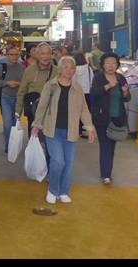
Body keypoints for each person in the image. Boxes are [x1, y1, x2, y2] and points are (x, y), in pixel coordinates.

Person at [31, 56, 96, 204]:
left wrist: (89, 127)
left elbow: (84, 109)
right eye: (65, 67)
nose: (69, 70)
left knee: (68, 163)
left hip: (71, 131)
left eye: (72, 67)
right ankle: (53, 190)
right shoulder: (51, 85)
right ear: (59, 69)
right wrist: (37, 124)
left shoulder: (77, 88)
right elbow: (42, 106)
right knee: (58, 161)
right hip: (52, 130)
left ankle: (64, 191)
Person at [90, 52, 131, 184]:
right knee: (105, 145)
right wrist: (107, 86)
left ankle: (107, 172)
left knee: (112, 146)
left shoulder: (121, 78)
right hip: (102, 117)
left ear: (117, 65)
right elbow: (93, 93)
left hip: (117, 116)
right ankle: (105, 175)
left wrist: (125, 92)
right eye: (107, 63)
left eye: (113, 63)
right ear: (103, 65)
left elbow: (127, 98)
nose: (110, 66)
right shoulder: (98, 77)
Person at [15, 42, 57, 137]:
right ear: (37, 55)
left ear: (51, 55)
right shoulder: (29, 70)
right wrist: (18, 112)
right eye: (42, 53)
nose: (45, 57)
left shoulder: (57, 71)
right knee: (34, 141)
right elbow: (22, 91)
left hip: (52, 114)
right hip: (33, 113)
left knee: (50, 144)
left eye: (48, 53)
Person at [0, 45, 24, 153]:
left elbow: (26, 83)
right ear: (7, 55)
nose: (14, 57)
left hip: (18, 98)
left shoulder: (22, 67)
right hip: (6, 97)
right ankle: (8, 145)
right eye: (11, 54)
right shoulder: (2, 66)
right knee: (7, 122)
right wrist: (7, 83)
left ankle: (15, 143)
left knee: (15, 122)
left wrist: (18, 83)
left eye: (16, 54)